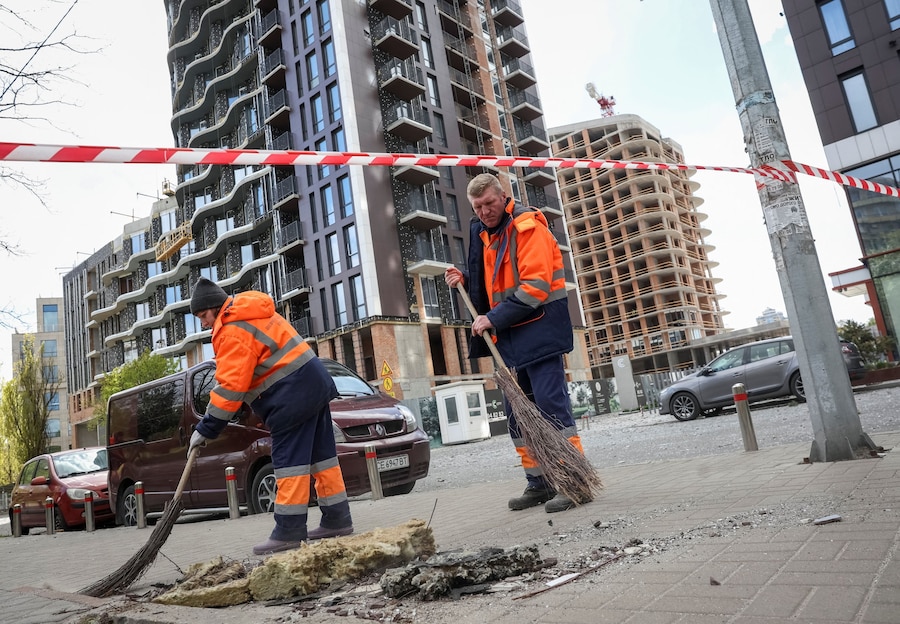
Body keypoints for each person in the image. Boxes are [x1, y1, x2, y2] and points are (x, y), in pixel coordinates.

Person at [444, 173, 590, 514]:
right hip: (511, 338)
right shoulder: (485, 236)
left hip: (538, 332)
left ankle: (573, 480)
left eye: (489, 204)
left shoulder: (528, 227)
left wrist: (492, 319)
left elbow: (537, 286)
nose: (483, 212)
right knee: (517, 416)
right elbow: (493, 283)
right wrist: (464, 280)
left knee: (552, 409)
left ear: (503, 197)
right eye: (477, 207)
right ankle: (538, 482)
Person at [188, 277, 353, 554]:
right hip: (313, 384)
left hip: (291, 395)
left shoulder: (232, 329)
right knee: (322, 458)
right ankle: (337, 519)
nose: (203, 323)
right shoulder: (253, 311)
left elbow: (231, 385)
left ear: (216, 307)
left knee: (289, 463)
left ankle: (289, 531)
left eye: (204, 315)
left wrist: (207, 427)